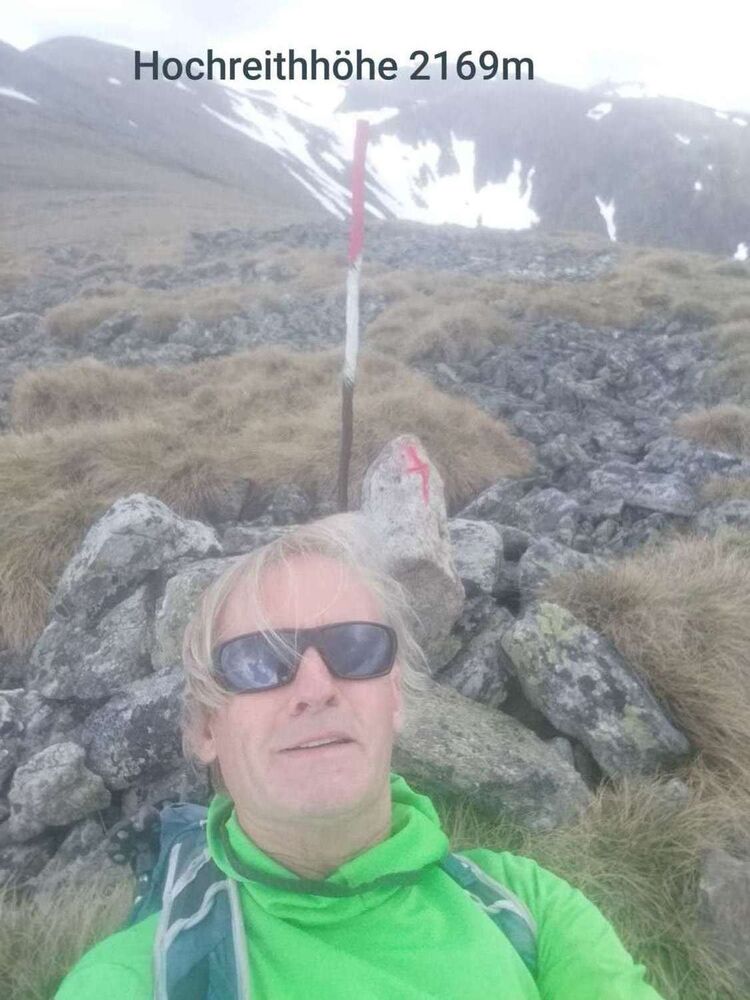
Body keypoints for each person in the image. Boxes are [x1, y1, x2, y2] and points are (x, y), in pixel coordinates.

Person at [56, 512, 665, 999]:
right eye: (260, 660)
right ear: (206, 726)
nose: (316, 688)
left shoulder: (532, 907)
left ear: (393, 698)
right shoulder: (135, 980)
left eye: (354, 648)